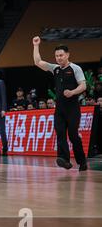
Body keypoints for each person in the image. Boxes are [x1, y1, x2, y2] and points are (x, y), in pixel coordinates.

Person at [33, 36, 87, 171]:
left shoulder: (75, 68)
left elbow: (83, 85)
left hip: (73, 108)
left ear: (67, 55)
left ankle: (82, 162)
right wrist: (36, 45)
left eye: (61, 55)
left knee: (74, 135)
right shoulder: (55, 69)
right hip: (60, 109)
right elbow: (38, 62)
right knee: (60, 133)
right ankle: (64, 160)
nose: (59, 58)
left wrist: (73, 92)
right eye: (57, 56)